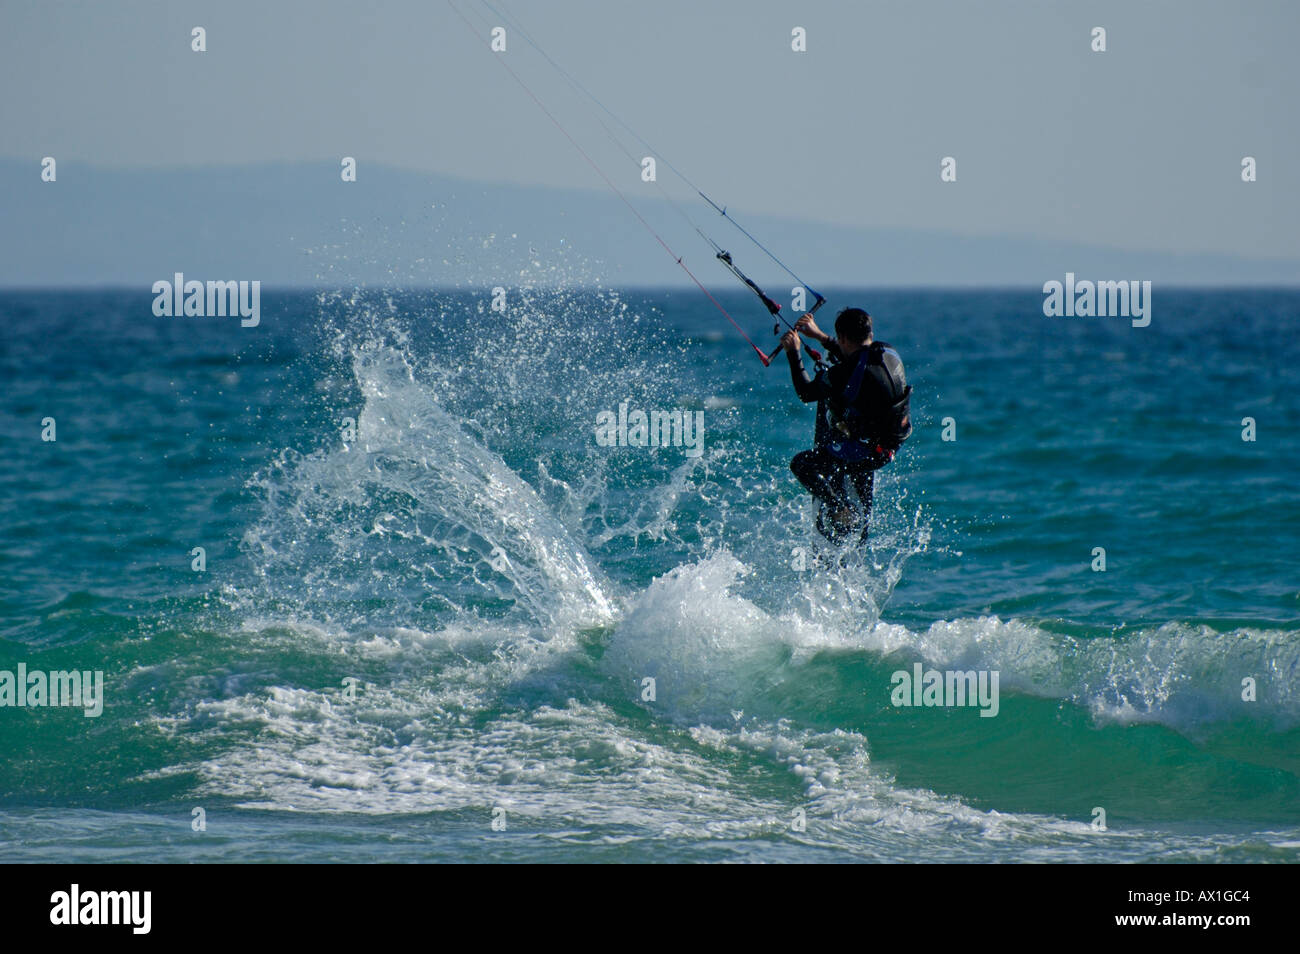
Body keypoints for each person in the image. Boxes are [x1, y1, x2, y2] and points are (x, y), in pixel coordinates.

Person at [781, 307, 912, 545]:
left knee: (802, 465)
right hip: (888, 446)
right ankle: (849, 490)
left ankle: (841, 508)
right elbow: (858, 360)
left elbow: (806, 393)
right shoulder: (888, 353)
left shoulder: (844, 373)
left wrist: (794, 352)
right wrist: (821, 337)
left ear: (843, 338)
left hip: (864, 453)